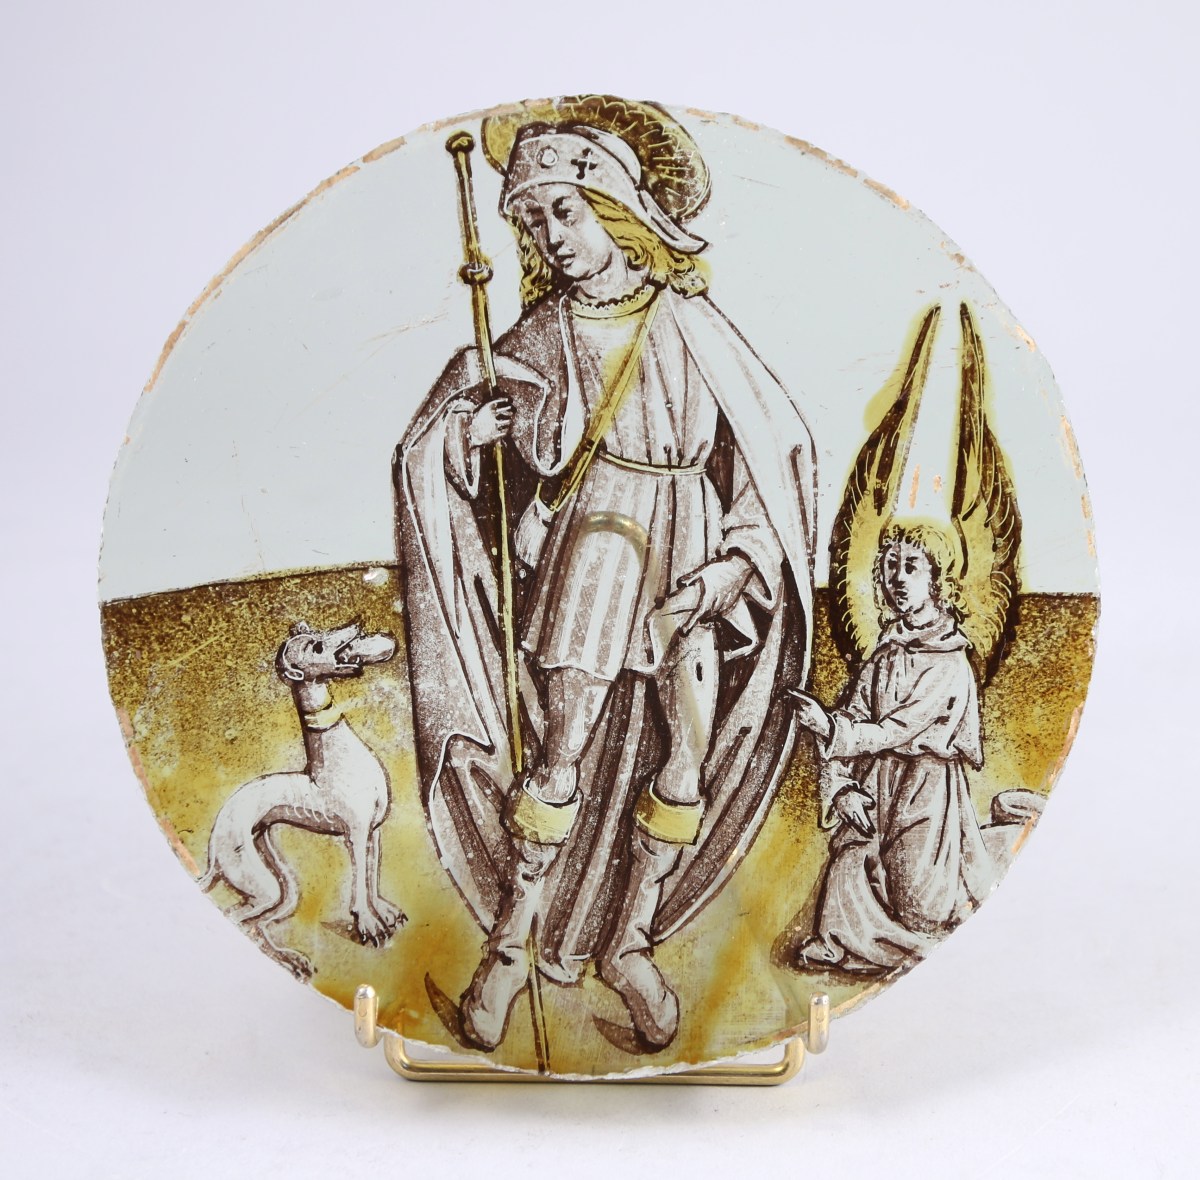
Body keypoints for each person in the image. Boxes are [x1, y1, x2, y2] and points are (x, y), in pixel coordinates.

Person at [396, 100, 816, 1053]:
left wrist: (736, 562)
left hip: (687, 549)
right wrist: (472, 430)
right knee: (561, 756)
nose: (551, 236)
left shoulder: (691, 323)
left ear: (617, 207)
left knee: (684, 759)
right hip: (599, 546)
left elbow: (768, 451)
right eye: (533, 219)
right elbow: (462, 424)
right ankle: (508, 954)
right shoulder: (545, 328)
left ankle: (632, 943)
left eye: (566, 211)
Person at [788, 522, 995, 974]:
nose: (898, 578)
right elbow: (856, 714)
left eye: (912, 567)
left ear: (938, 580)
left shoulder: (950, 662)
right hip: (877, 785)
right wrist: (842, 790)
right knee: (849, 864)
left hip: (927, 793)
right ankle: (847, 937)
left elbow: (893, 731)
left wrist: (826, 725)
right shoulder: (887, 651)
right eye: (890, 566)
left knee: (922, 913)